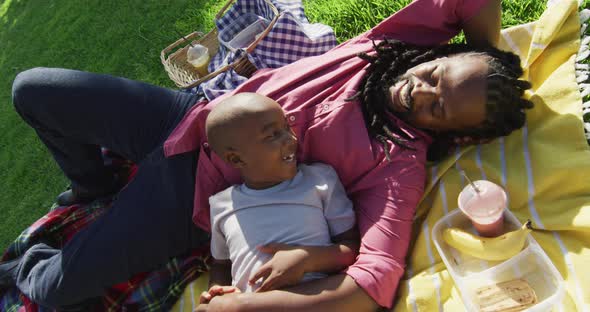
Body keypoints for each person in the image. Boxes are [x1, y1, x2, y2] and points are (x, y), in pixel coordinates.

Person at [4, 0, 533, 310]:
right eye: (437, 77)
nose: (421, 93)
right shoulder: (394, 46)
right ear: (444, 53)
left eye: (440, 109)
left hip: (190, 196)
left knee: (52, 291)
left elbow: (369, 286)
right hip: (189, 114)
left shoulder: (396, 161)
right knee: (33, 90)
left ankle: (57, 246)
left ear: (454, 136)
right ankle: (95, 188)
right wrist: (494, 56)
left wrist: (250, 305)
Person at [199, 93, 358, 307]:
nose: (291, 139)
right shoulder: (221, 205)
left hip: (314, 302)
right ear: (236, 159)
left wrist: (306, 259)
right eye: (273, 135)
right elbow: (221, 265)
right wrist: (217, 291)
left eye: (286, 127)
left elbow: (350, 248)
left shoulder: (319, 180)